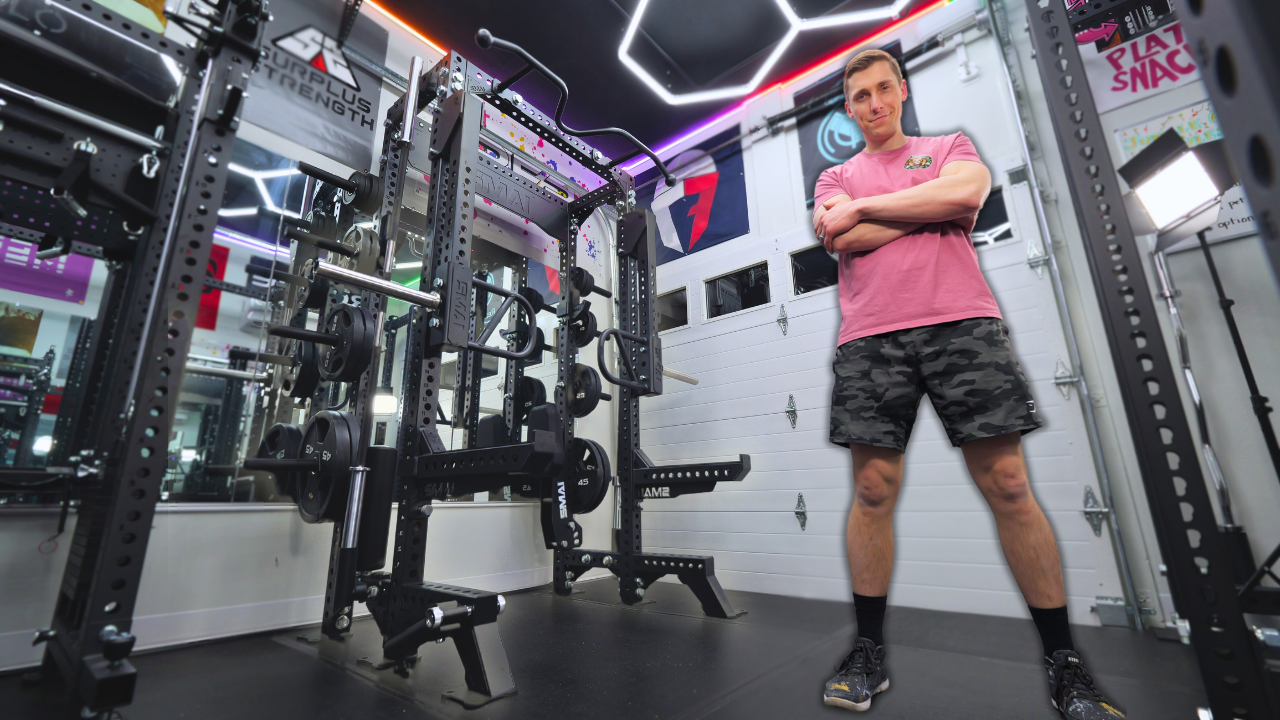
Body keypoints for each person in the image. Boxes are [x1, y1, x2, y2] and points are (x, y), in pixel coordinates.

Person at [811, 49, 1125, 719]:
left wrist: (875, 210)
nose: (872, 104)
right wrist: (925, 212)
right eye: (859, 95)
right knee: (872, 490)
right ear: (848, 107)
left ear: (901, 90)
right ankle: (868, 650)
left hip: (963, 326)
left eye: (881, 89)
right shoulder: (836, 174)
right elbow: (840, 237)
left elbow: (967, 194)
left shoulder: (947, 146)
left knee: (1010, 484)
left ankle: (1064, 663)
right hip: (872, 339)